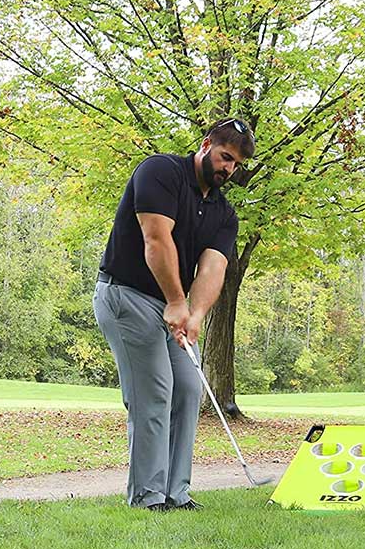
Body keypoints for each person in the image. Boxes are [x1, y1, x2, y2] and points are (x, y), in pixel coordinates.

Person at [93, 118, 255, 512]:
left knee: (187, 388)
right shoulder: (160, 171)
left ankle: (175, 494)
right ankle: (147, 498)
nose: (227, 169)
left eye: (235, 164)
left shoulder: (223, 213)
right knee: (155, 391)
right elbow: (155, 238)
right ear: (205, 146)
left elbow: (214, 267)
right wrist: (177, 302)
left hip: (173, 304)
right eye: (224, 157)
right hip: (126, 295)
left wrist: (195, 313)